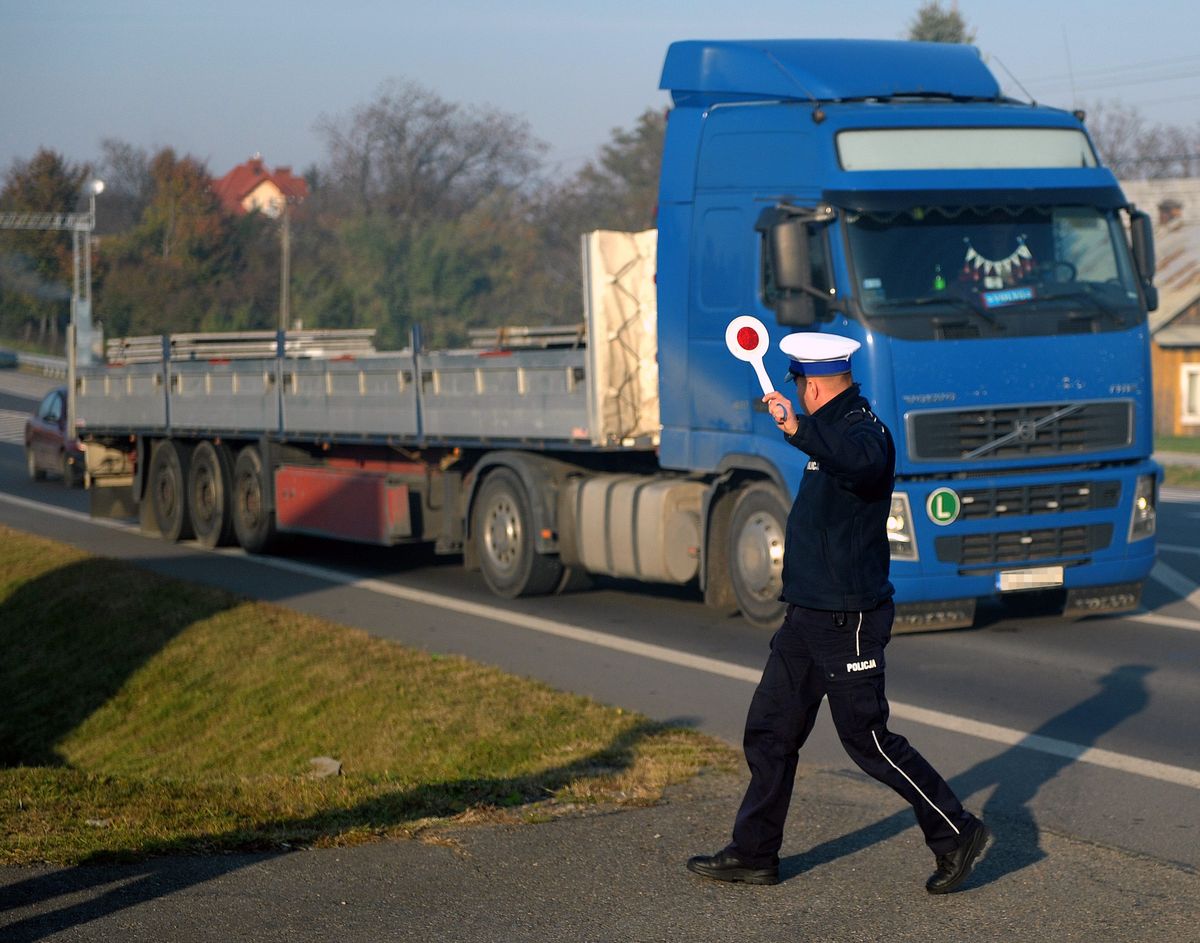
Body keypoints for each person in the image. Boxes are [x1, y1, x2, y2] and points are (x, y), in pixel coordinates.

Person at [687, 332, 991, 895]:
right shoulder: (827, 428)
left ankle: (957, 832)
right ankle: (754, 854)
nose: (795, 394)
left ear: (816, 383)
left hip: (847, 617)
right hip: (806, 614)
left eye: (797, 384)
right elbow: (825, 455)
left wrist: (800, 430)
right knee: (770, 731)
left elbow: (863, 465)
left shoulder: (862, 430)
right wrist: (798, 427)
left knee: (868, 741)